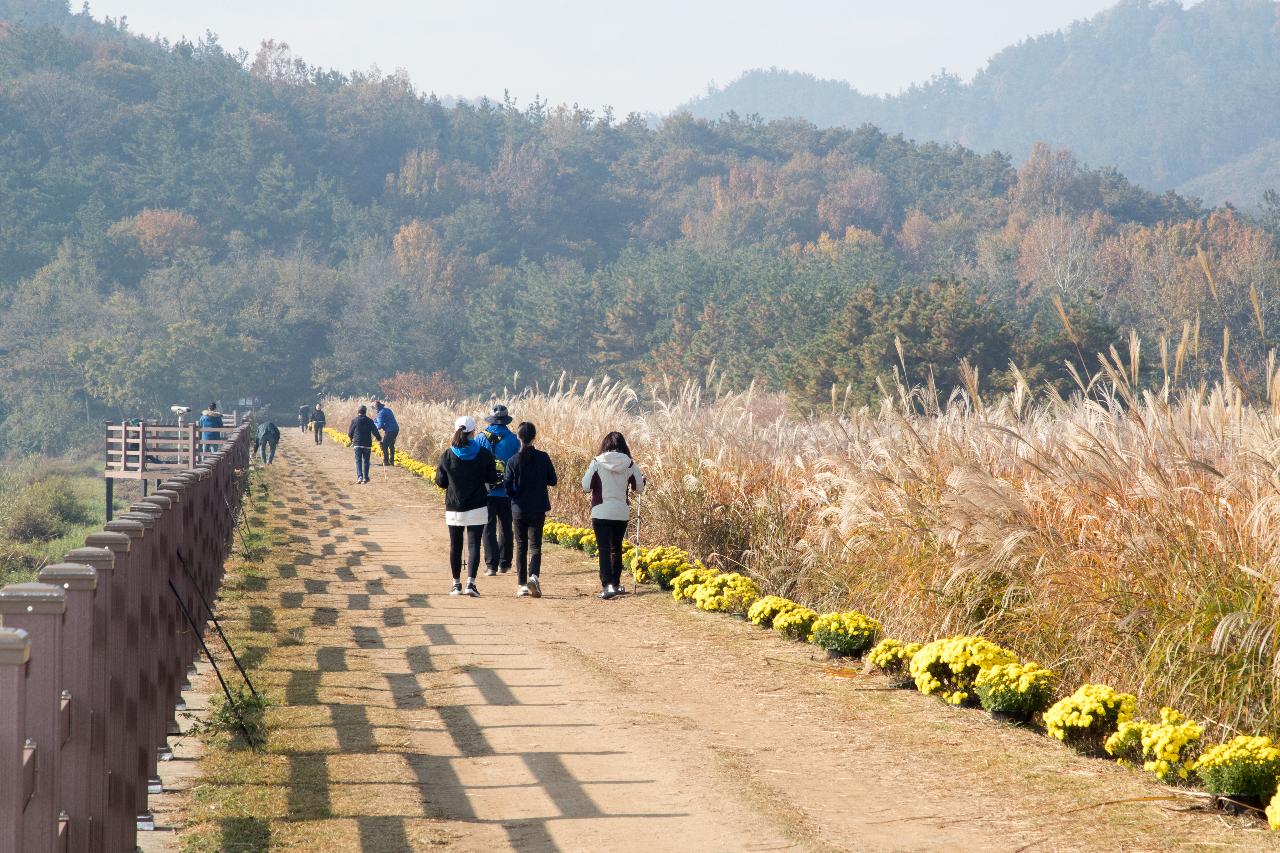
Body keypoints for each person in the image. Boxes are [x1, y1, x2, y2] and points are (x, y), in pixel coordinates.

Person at [434, 416, 499, 597]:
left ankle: (456, 584)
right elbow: (492, 479)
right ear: (473, 432)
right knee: (473, 545)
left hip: (454, 506)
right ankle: (471, 583)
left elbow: (440, 482)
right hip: (478, 504)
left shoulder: (447, 455)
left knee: (455, 545)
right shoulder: (484, 454)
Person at [582, 431, 645, 600]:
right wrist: (642, 480)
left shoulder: (596, 462)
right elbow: (639, 488)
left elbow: (586, 486)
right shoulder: (630, 464)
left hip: (601, 511)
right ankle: (615, 584)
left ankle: (607, 585)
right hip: (620, 512)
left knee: (603, 549)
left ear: (605, 445)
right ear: (623, 446)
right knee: (616, 548)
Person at [502, 421, 557, 598]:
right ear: (534, 437)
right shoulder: (543, 457)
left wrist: (515, 497)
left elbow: (507, 486)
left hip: (519, 509)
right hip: (538, 507)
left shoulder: (512, 461)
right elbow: (553, 480)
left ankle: (522, 585)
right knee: (535, 545)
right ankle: (534, 575)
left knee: (521, 546)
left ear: (518, 437)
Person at [475, 404, 520, 577]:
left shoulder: (480, 438)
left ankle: (491, 565)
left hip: (486, 490)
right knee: (506, 527)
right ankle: (504, 563)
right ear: (506, 419)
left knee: (488, 527)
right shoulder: (514, 439)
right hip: (508, 490)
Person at [347, 405, 382, 484]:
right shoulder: (369, 421)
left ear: (358, 411)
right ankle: (365, 478)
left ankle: (359, 477)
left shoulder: (354, 420)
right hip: (367, 444)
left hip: (357, 443)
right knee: (366, 461)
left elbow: (349, 433)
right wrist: (379, 439)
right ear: (365, 412)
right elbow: (375, 431)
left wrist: (351, 438)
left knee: (358, 461)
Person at [373, 400, 399, 466]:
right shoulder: (387, 410)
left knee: (384, 445)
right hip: (396, 429)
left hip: (390, 430)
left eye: (374, 408)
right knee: (391, 445)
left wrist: (374, 423)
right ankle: (392, 461)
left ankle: (386, 461)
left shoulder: (381, 413)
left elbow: (379, 426)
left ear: (377, 408)